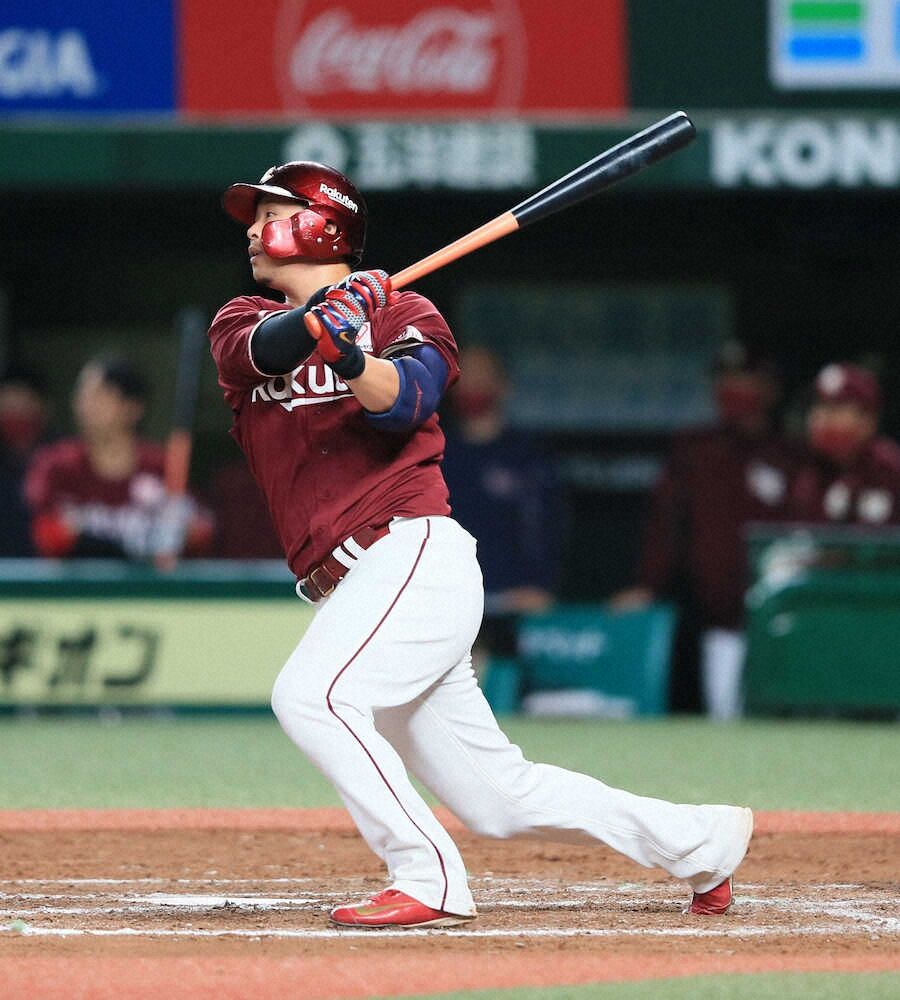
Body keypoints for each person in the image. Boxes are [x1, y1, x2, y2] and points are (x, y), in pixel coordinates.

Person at [208, 159, 753, 929]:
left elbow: (408, 402)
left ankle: (425, 875)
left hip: (410, 556)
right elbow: (257, 352)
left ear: (320, 225)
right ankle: (701, 842)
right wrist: (319, 322)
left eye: (269, 216)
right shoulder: (240, 318)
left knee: (313, 696)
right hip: (353, 588)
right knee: (498, 799)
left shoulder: (407, 314)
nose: (253, 232)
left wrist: (351, 351)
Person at [611, 342, 798, 720]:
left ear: (769, 388)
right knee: (725, 723)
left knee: (791, 725)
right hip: (720, 624)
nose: (733, 388)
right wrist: (649, 584)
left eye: (745, 379)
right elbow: (665, 527)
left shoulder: (792, 455)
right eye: (725, 379)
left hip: (785, 623)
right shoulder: (695, 451)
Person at [441, 345, 561, 700]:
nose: (471, 387)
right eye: (464, 378)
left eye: (481, 377)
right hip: (447, 601)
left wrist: (541, 585)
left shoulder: (527, 456)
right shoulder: (435, 451)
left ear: (502, 385)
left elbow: (547, 529)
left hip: (512, 603)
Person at [25, 355, 213, 561]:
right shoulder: (56, 465)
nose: (86, 405)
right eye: (82, 395)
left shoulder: (164, 467)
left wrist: (182, 531)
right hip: (79, 580)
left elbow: (201, 533)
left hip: (146, 581)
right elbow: (47, 535)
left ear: (133, 407)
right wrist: (117, 544)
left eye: (100, 395)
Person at [788, 363, 900, 525]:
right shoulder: (807, 475)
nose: (822, 418)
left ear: (868, 420)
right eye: (819, 406)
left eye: (835, 408)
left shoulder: (890, 469)